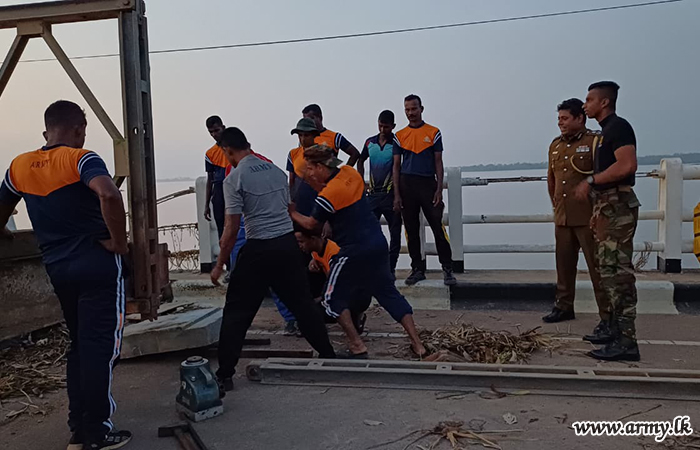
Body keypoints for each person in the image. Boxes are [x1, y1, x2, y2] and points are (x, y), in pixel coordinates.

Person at [0, 100, 131, 449]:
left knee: (80, 346)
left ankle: (79, 428)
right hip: (98, 265)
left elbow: (2, 206)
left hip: (58, 269)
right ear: (78, 130)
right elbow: (108, 193)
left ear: (46, 131)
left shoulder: (19, 166)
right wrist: (119, 242)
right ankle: (96, 431)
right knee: (101, 348)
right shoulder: (81, 159)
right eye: (83, 132)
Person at [212, 127, 335, 391]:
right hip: (287, 246)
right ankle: (329, 356)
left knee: (237, 313)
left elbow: (231, 229)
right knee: (303, 305)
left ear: (228, 151)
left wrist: (220, 263)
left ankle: (224, 375)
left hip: (258, 248)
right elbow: (289, 209)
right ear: (249, 144)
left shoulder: (234, 179)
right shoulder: (277, 172)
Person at [291, 144, 426, 358]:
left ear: (320, 167)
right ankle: (418, 345)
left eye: (311, 169)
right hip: (377, 244)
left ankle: (356, 345)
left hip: (353, 250)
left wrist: (291, 212)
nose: (309, 174)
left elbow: (312, 225)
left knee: (330, 298)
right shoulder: (351, 174)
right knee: (388, 293)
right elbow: (334, 174)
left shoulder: (329, 194)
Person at [575, 81, 641, 362]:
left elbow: (627, 165)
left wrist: (591, 180)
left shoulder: (618, 127)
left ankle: (627, 342)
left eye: (589, 100)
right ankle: (613, 330)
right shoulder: (604, 132)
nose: (584, 105)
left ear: (604, 102)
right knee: (607, 271)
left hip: (618, 207)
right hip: (606, 207)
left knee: (618, 275)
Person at [542, 98, 610, 326]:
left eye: (565, 118)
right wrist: (556, 206)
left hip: (589, 217)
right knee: (564, 266)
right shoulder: (555, 145)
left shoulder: (594, 142)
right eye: (558, 119)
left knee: (597, 268)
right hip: (563, 216)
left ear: (580, 118)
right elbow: (552, 179)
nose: (560, 123)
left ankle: (607, 316)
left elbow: (603, 177)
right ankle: (563, 307)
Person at [392, 94, 456, 286]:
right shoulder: (399, 136)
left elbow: (438, 162)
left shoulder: (433, 132)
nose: (411, 113)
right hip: (407, 185)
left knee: (438, 227)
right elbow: (396, 166)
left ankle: (447, 268)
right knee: (411, 231)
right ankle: (417, 269)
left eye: (414, 109)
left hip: (428, 184)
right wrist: (397, 194)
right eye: (407, 109)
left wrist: (439, 189)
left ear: (421, 109)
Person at [295, 230, 370, 333]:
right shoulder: (315, 250)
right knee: (308, 275)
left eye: (301, 242)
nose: (299, 246)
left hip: (355, 292)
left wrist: (320, 300)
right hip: (338, 287)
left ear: (313, 239)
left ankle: (353, 316)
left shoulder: (334, 253)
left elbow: (339, 284)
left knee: (313, 312)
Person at [357, 110, 402, 276]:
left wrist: (397, 196)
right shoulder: (370, 142)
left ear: (393, 126)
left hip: (391, 195)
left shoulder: (396, 143)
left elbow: (397, 168)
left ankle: (391, 268)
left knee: (395, 234)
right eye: (380, 126)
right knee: (368, 232)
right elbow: (360, 160)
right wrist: (361, 182)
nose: (383, 130)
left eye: (386, 127)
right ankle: (373, 267)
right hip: (373, 195)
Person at [203, 115, 228, 240]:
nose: (214, 135)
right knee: (221, 229)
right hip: (219, 191)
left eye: (217, 130)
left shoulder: (235, 148)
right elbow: (210, 179)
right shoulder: (210, 153)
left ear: (223, 128)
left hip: (235, 189)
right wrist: (206, 204)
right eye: (211, 132)